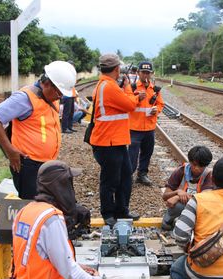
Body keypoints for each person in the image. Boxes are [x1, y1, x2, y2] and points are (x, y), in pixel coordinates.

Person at [12, 160, 126, 279]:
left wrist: (78, 267)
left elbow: (38, 255)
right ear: (60, 185)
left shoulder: (26, 210)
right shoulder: (51, 219)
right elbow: (68, 271)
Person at [0, 61, 76, 199]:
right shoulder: (24, 98)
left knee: (46, 202)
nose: (60, 97)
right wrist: (9, 150)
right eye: (59, 92)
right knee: (31, 203)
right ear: (46, 83)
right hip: (29, 165)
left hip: (47, 162)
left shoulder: (52, 97)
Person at [89, 53, 145, 226]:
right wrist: (129, 89)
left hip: (116, 141)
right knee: (110, 180)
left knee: (125, 177)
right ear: (116, 69)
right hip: (108, 142)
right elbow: (129, 105)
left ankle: (122, 210)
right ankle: (108, 213)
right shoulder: (109, 86)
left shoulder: (106, 84)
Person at [128, 61, 164, 186]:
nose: (146, 75)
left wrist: (156, 110)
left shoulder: (154, 89)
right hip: (134, 128)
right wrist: (137, 99)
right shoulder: (131, 88)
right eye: (143, 72)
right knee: (132, 154)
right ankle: (128, 176)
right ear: (138, 73)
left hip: (149, 128)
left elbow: (160, 104)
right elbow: (126, 104)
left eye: (148, 73)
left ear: (151, 74)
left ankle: (142, 174)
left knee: (147, 153)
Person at [161, 146, 214, 230]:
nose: (197, 168)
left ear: (206, 165)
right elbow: (165, 196)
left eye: (201, 166)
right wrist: (177, 192)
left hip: (199, 209)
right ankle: (171, 221)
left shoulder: (209, 175)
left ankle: (189, 224)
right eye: (194, 165)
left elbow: (204, 200)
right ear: (190, 162)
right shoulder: (180, 171)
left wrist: (178, 196)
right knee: (177, 206)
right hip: (182, 206)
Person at [60, 61, 78, 134]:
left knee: (71, 112)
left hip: (71, 95)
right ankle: (64, 128)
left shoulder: (71, 74)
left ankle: (69, 127)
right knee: (66, 113)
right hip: (67, 96)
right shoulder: (65, 74)